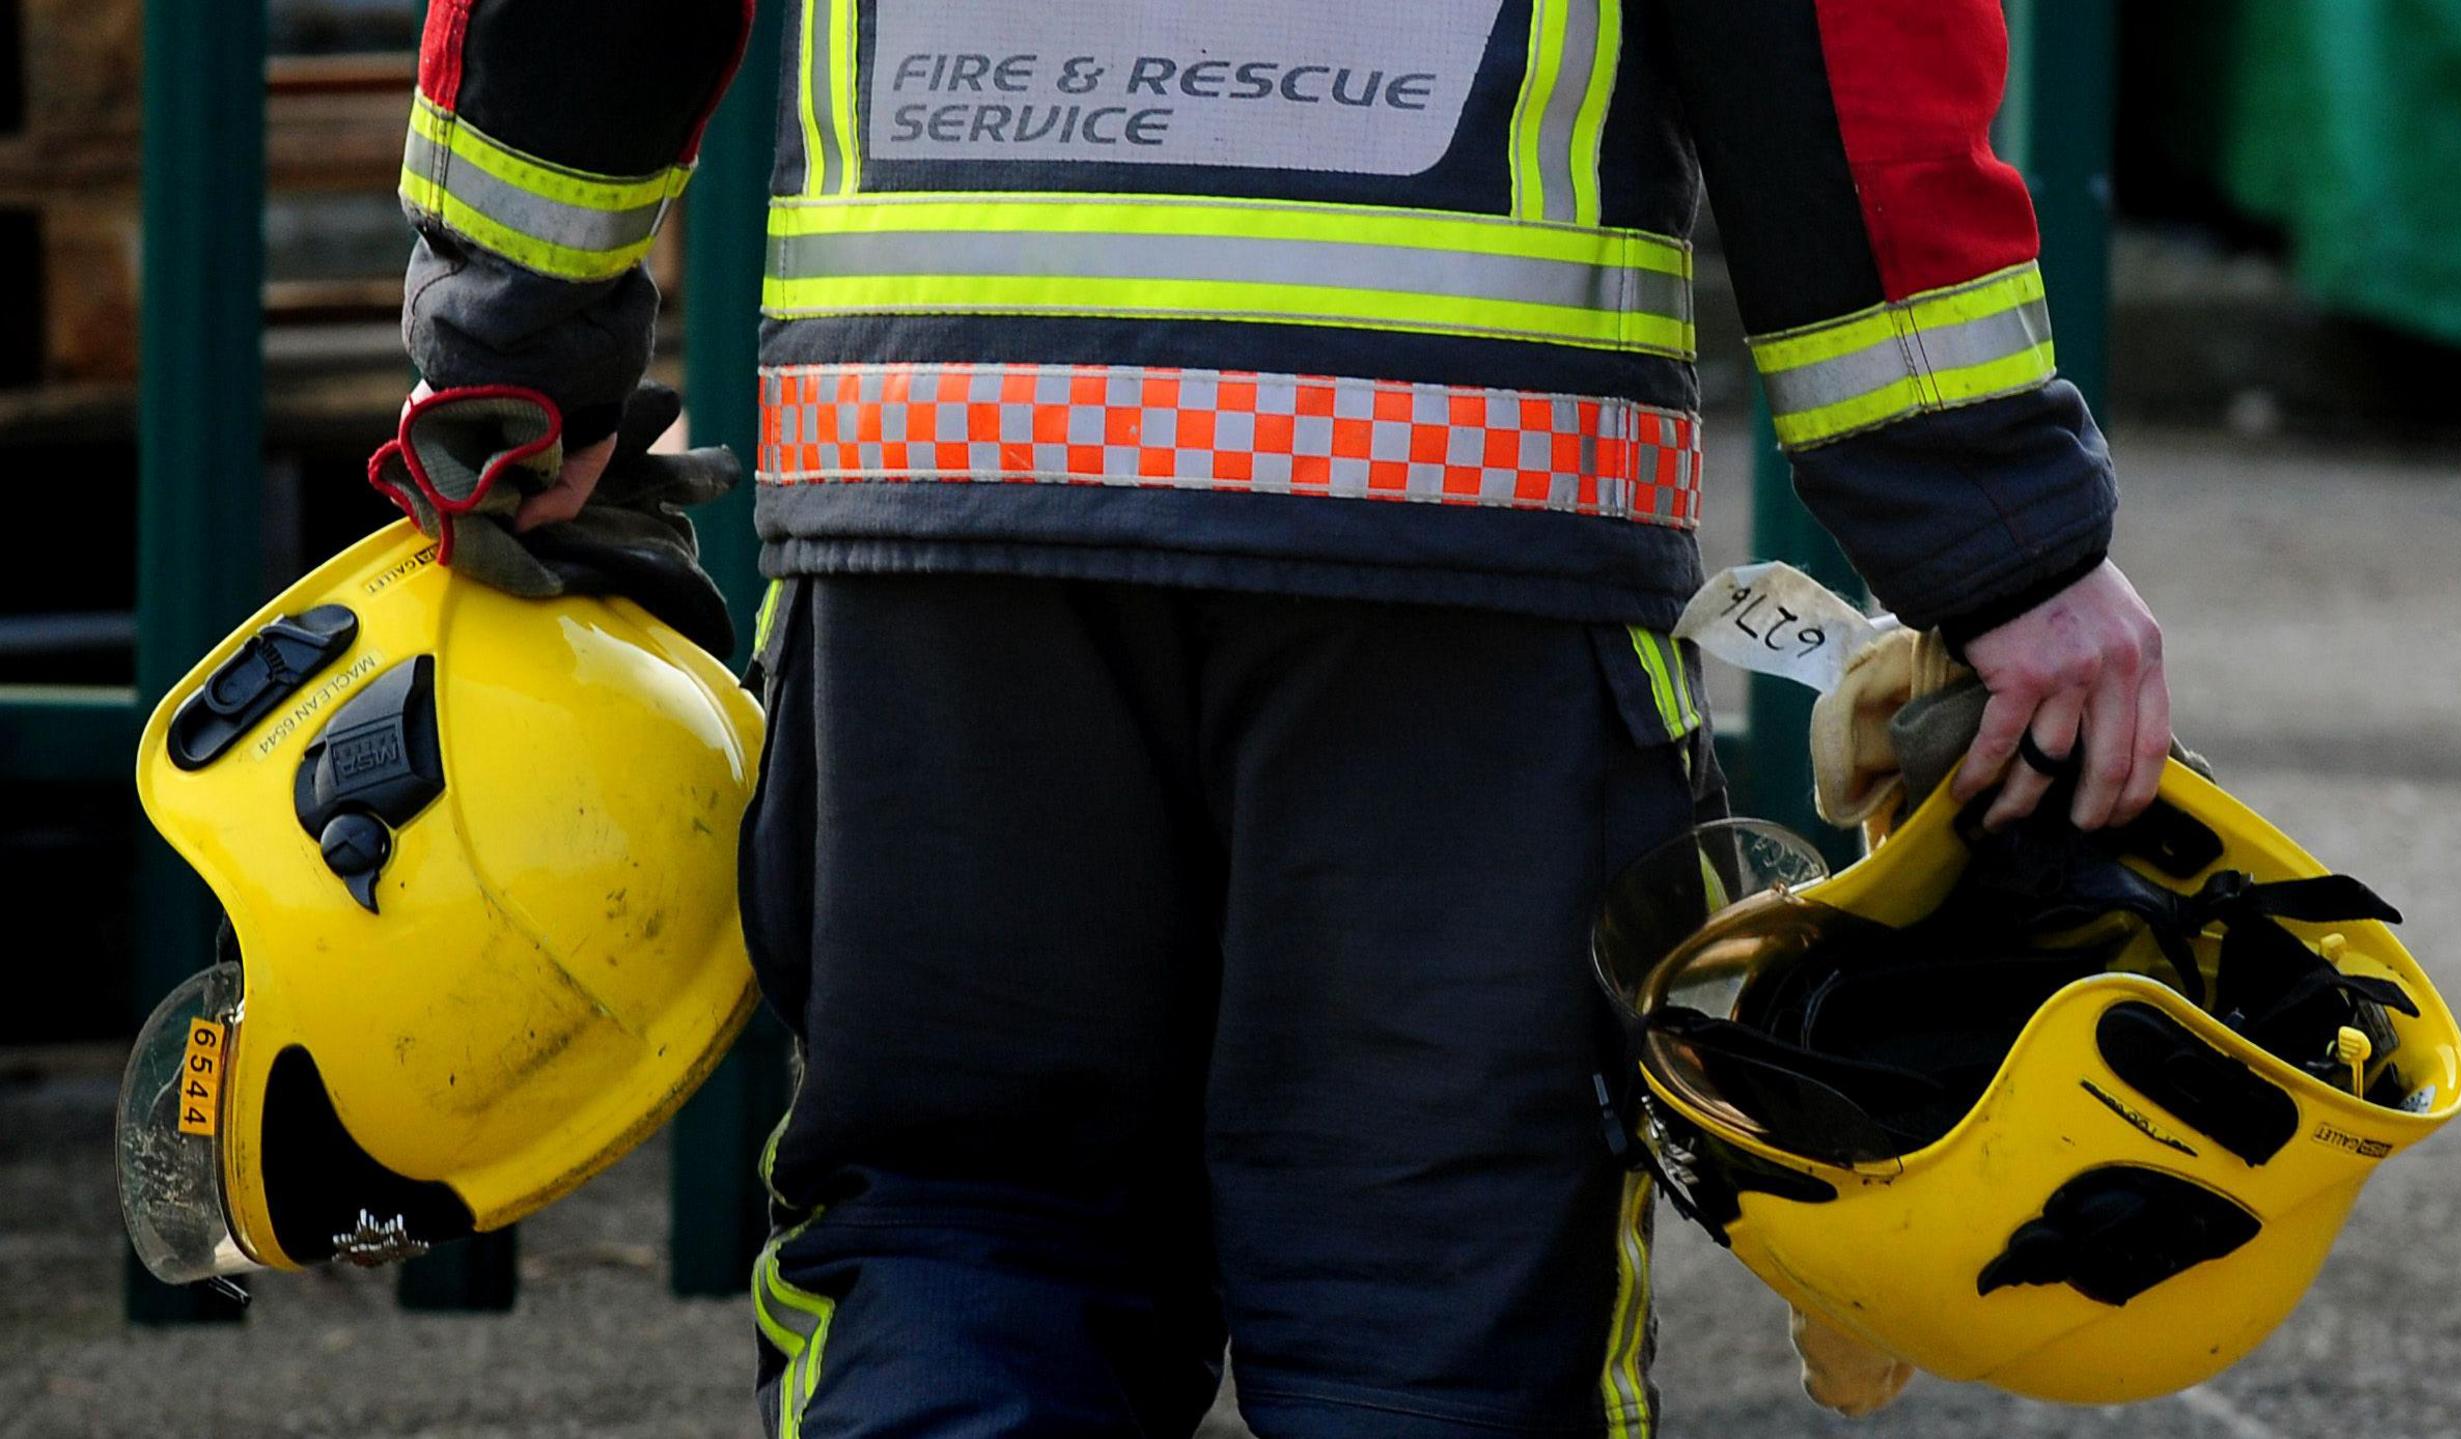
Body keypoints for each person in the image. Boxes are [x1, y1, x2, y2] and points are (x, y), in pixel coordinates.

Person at [389, 2, 2169, 1433]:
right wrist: (1988, 528)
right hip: (1450, 504)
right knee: (1433, 1293)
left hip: (949, 459)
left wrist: (511, 348)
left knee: (965, 1241)